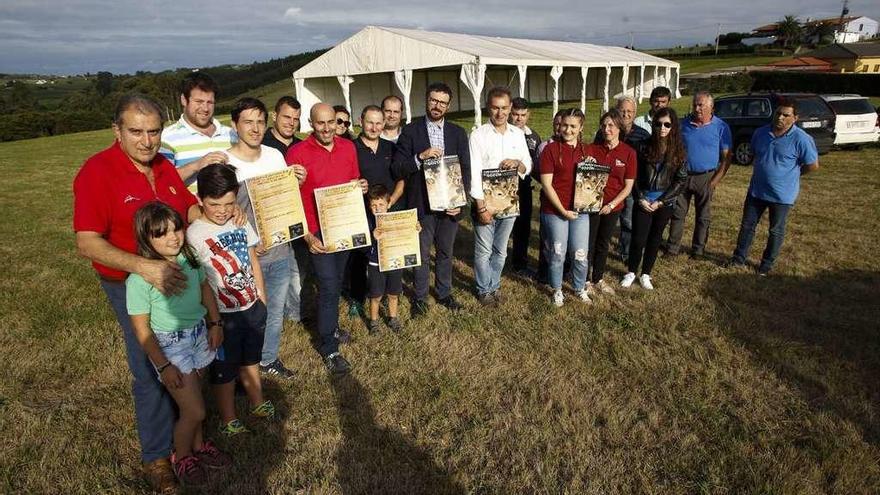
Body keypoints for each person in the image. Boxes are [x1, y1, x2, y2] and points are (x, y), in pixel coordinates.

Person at [74, 93, 202, 494]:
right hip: (129, 282)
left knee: (186, 349)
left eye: (154, 132)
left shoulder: (164, 166)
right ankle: (157, 457)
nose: (147, 141)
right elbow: (87, 242)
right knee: (150, 364)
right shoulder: (97, 172)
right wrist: (144, 267)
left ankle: (192, 428)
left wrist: (215, 214)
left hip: (176, 276)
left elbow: (188, 209)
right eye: (136, 132)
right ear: (117, 131)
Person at [126, 202, 231, 487]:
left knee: (196, 395)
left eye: (177, 229)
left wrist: (215, 322)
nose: (173, 237)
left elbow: (204, 288)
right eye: (161, 234)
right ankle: (181, 456)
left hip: (198, 335)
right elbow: (142, 330)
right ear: (146, 239)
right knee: (195, 410)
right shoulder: (139, 280)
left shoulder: (188, 256)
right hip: (170, 347)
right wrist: (163, 364)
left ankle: (198, 446)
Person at [187, 164, 276, 437]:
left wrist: (261, 295)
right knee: (224, 369)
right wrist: (213, 320)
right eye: (215, 204)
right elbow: (200, 282)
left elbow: (252, 257)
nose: (223, 210)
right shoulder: (194, 234)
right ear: (200, 199)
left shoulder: (239, 220)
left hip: (251, 305)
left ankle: (257, 401)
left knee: (251, 358)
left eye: (229, 202)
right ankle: (228, 418)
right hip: (223, 314)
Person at [224, 97, 307, 381]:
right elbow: (221, 214)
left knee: (273, 312)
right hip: (245, 256)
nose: (255, 128)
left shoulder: (275, 156)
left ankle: (268, 359)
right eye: (248, 122)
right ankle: (240, 368)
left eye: (260, 121)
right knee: (245, 314)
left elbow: (285, 201)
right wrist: (248, 243)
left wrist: (296, 179)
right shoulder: (226, 162)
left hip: (279, 250)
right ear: (235, 125)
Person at [286, 103, 367, 374]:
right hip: (316, 232)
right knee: (329, 285)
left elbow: (354, 181)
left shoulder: (348, 147)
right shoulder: (297, 153)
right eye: (320, 123)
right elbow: (291, 199)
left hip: (343, 226)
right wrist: (307, 236)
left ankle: (330, 326)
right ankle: (328, 347)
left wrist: (362, 186)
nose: (327, 128)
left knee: (337, 280)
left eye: (331, 122)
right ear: (310, 123)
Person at [392, 82, 471, 317]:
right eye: (434, 100)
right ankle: (419, 297)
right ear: (426, 100)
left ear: (448, 106)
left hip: (450, 205)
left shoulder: (457, 132)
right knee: (422, 254)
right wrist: (420, 157)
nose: (437, 106)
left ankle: (444, 293)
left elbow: (465, 168)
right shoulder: (411, 131)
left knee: (446, 252)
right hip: (422, 204)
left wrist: (460, 201)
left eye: (443, 102)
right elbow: (398, 168)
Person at [729, 98, 819, 275]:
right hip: (756, 191)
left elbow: (812, 165)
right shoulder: (760, 133)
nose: (780, 118)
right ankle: (738, 259)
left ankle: (766, 265)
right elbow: (755, 154)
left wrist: (792, 176)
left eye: (786, 115)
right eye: (778, 113)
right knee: (747, 226)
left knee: (775, 230)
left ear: (795, 118)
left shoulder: (801, 139)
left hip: (782, 196)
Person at [469, 86, 532, 305]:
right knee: (484, 250)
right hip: (486, 202)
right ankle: (483, 289)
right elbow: (474, 173)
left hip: (510, 203)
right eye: (495, 108)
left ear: (511, 107)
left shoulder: (518, 134)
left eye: (504, 108)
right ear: (488, 108)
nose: (500, 113)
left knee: (501, 251)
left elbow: (528, 165)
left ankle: (493, 285)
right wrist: (481, 207)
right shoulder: (478, 135)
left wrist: (518, 164)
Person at [347, 105, 405, 317]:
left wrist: (391, 202)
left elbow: (401, 179)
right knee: (360, 257)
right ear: (361, 120)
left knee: (386, 256)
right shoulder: (350, 148)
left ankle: (386, 293)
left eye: (378, 123)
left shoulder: (391, 148)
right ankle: (357, 297)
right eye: (369, 122)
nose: (374, 127)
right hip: (360, 213)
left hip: (386, 214)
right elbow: (343, 180)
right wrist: (354, 185)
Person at [621, 108, 688, 290]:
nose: (662, 128)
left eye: (667, 124)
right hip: (643, 199)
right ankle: (631, 271)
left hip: (663, 202)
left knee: (655, 239)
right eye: (658, 124)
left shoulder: (679, 151)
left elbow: (680, 180)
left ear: (673, 126)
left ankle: (646, 274)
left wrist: (661, 201)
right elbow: (632, 176)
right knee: (638, 238)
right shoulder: (642, 147)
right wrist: (640, 198)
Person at [663, 91, 732, 258]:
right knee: (678, 213)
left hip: (706, 177)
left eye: (701, 105)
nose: (697, 108)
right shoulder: (683, 124)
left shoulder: (721, 127)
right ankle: (672, 249)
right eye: (695, 104)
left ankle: (698, 250)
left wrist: (715, 181)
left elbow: (727, 157)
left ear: (711, 107)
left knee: (703, 216)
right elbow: (673, 148)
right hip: (683, 175)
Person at [539, 108, 592, 307]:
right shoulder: (550, 150)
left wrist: (592, 167)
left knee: (580, 253)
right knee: (557, 253)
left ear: (580, 128)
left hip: (580, 211)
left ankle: (579, 288)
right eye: (564, 125)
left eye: (573, 126)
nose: (567, 130)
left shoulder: (587, 151)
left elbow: (595, 180)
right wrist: (562, 211)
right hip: (555, 211)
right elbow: (546, 184)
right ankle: (557, 289)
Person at [586, 109, 637, 296]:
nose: (607, 129)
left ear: (619, 129)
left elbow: (628, 187)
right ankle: (584, 279)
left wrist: (611, 205)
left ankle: (597, 278)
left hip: (612, 206)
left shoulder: (628, 153)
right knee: (588, 243)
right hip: (591, 205)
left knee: (603, 243)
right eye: (604, 125)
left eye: (611, 126)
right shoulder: (592, 149)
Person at [595, 96, 651, 263]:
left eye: (629, 112)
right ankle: (599, 247)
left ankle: (625, 252)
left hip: (632, 184)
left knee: (628, 220)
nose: (626, 114)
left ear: (635, 114)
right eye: (622, 111)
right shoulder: (602, 132)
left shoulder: (643, 134)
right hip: (608, 184)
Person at [160, 72, 234, 186]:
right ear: (184, 100)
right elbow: (162, 183)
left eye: (210, 102)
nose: (205, 108)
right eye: (199, 102)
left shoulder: (231, 134)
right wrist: (196, 165)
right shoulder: (166, 138)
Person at [364, 184, 420, 334]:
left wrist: (414, 228)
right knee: (376, 296)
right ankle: (374, 321)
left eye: (381, 204)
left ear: (388, 204)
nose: (377, 208)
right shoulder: (368, 223)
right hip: (375, 264)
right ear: (369, 207)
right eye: (373, 205)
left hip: (395, 262)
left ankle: (393, 318)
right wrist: (371, 236)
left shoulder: (396, 219)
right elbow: (362, 247)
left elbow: (407, 233)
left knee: (393, 294)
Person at [509, 97, 542, 277]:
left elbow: (536, 165)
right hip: (504, 187)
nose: (519, 118)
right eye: (515, 114)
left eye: (523, 115)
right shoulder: (502, 132)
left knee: (523, 227)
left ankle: (520, 263)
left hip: (524, 187)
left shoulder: (534, 136)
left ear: (528, 114)